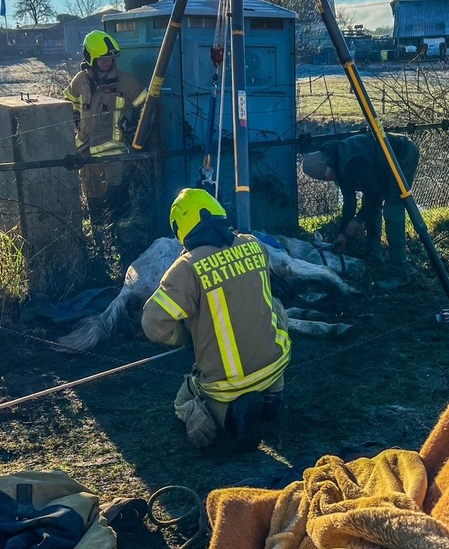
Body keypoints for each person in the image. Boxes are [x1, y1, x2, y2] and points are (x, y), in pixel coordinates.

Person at [141, 188, 291, 454]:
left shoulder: (187, 267)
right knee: (273, 309)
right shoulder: (253, 245)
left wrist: (185, 337)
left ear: (181, 231)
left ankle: (229, 415)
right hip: (276, 361)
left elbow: (153, 322)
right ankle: (273, 395)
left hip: (227, 381)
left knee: (182, 399)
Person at [64, 30, 147, 262]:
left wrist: (136, 130)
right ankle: (100, 251)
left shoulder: (126, 82)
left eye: (110, 59)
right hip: (85, 156)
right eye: (102, 59)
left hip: (115, 156)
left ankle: (122, 248)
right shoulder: (80, 81)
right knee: (94, 203)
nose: (107, 63)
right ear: (90, 58)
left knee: (117, 202)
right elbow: (68, 101)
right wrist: (74, 122)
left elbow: (148, 107)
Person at [302, 131, 420, 289]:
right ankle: (374, 255)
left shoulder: (351, 163)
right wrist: (342, 233)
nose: (328, 179)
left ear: (326, 165)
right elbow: (349, 202)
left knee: (393, 211)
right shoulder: (337, 159)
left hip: (402, 154)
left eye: (327, 176)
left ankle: (399, 274)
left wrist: (358, 221)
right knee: (371, 205)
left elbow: (374, 193)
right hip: (382, 163)